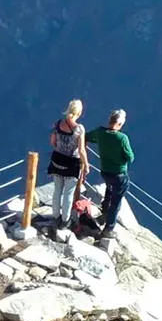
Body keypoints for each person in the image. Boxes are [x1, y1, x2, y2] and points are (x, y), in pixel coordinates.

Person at [86, 109, 134, 238]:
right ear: (120, 124)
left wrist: (101, 141)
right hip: (119, 174)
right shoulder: (122, 138)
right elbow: (130, 157)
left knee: (109, 190)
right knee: (116, 201)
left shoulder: (100, 133)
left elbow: (87, 136)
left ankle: (104, 214)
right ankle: (109, 228)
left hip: (105, 171)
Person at [47, 99, 90, 229]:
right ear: (79, 112)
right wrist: (86, 165)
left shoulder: (57, 124)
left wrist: (60, 148)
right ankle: (65, 221)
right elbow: (81, 150)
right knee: (68, 193)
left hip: (57, 162)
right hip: (72, 164)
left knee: (57, 191)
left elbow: (52, 142)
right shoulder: (79, 129)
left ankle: (56, 218)